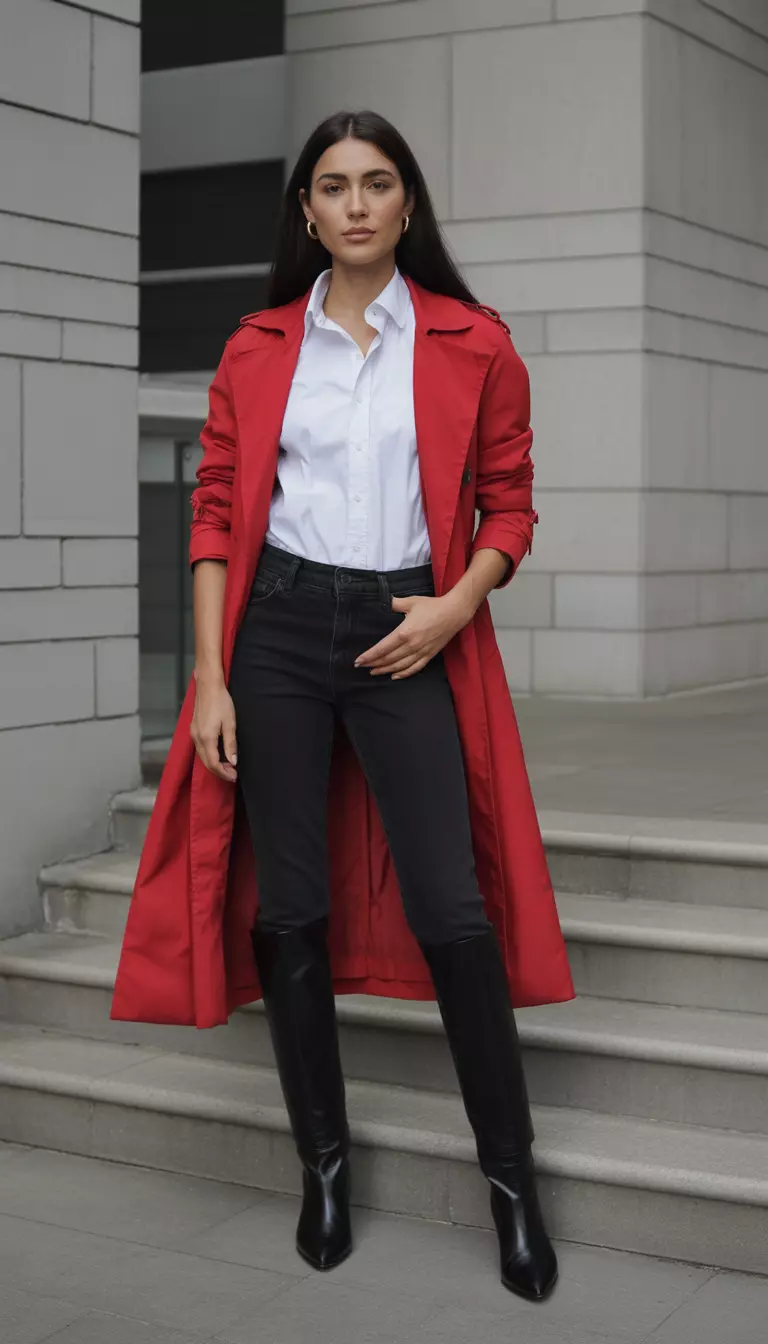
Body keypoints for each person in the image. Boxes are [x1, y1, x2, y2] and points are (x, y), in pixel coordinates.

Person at [116, 108, 575, 1304]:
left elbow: (511, 506)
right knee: (295, 910)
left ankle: (511, 1184)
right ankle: (323, 1165)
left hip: (406, 632)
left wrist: (453, 606)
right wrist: (212, 676)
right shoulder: (261, 345)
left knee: (451, 904)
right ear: (307, 212)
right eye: (334, 186)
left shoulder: (476, 343)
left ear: (407, 206)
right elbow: (214, 511)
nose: (357, 203)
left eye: (379, 184)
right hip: (273, 633)